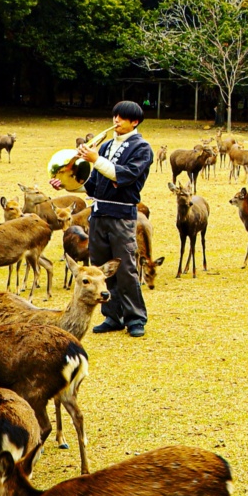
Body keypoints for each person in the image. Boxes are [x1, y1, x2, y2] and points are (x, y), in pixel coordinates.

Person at [67, 101, 155, 337]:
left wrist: (95, 159)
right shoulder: (105, 147)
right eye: (115, 116)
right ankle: (112, 316)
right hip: (99, 215)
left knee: (125, 269)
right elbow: (94, 185)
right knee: (102, 269)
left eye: (122, 118)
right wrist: (68, 181)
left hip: (122, 215)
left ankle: (136, 318)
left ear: (134, 121)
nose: (115, 121)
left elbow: (123, 176)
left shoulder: (142, 148)